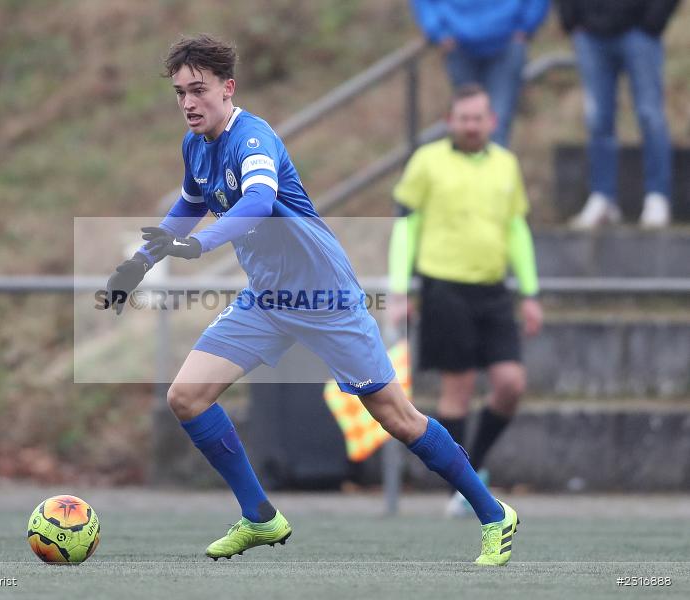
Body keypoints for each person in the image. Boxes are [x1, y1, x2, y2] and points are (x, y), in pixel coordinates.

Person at [104, 34, 518, 566]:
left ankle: (493, 514)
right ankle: (260, 517)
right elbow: (187, 208)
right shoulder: (196, 146)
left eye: (198, 90)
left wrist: (198, 245)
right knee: (186, 397)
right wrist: (138, 265)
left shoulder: (254, 139)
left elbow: (257, 199)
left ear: (228, 89)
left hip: (324, 295)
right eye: (180, 92)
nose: (187, 103)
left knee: (397, 417)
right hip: (267, 299)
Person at [389, 84, 543, 517]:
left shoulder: (506, 165)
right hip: (444, 287)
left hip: (493, 291)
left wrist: (529, 291)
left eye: (479, 118)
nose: (472, 125)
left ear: (491, 122)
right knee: (457, 390)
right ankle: (463, 487)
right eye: (464, 118)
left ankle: (472, 469)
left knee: (511, 384)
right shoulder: (427, 162)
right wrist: (400, 287)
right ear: (451, 121)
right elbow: (406, 228)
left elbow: (517, 229)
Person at [559, 0, 680, 229]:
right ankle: (602, 196)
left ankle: (657, 196)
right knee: (597, 120)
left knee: (650, 116)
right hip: (590, 33)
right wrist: (571, 18)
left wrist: (654, 19)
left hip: (640, 31)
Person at [410, 0, 549, 147]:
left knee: (497, 123)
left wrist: (526, 25)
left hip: (507, 44)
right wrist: (438, 31)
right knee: (465, 123)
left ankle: (494, 168)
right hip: (458, 45)